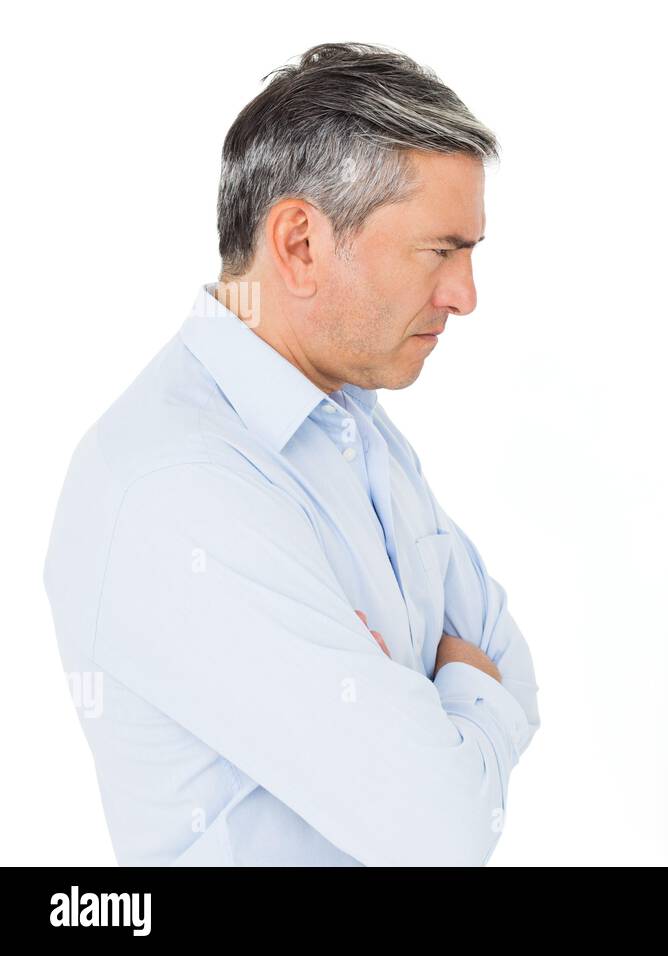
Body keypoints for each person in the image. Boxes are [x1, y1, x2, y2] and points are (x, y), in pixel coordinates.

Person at [42, 42, 540, 866]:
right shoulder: (178, 487)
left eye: (471, 253)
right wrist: (460, 697)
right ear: (301, 244)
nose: (464, 295)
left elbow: (507, 649)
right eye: (440, 250)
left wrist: (439, 713)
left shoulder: (351, 423)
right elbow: (443, 831)